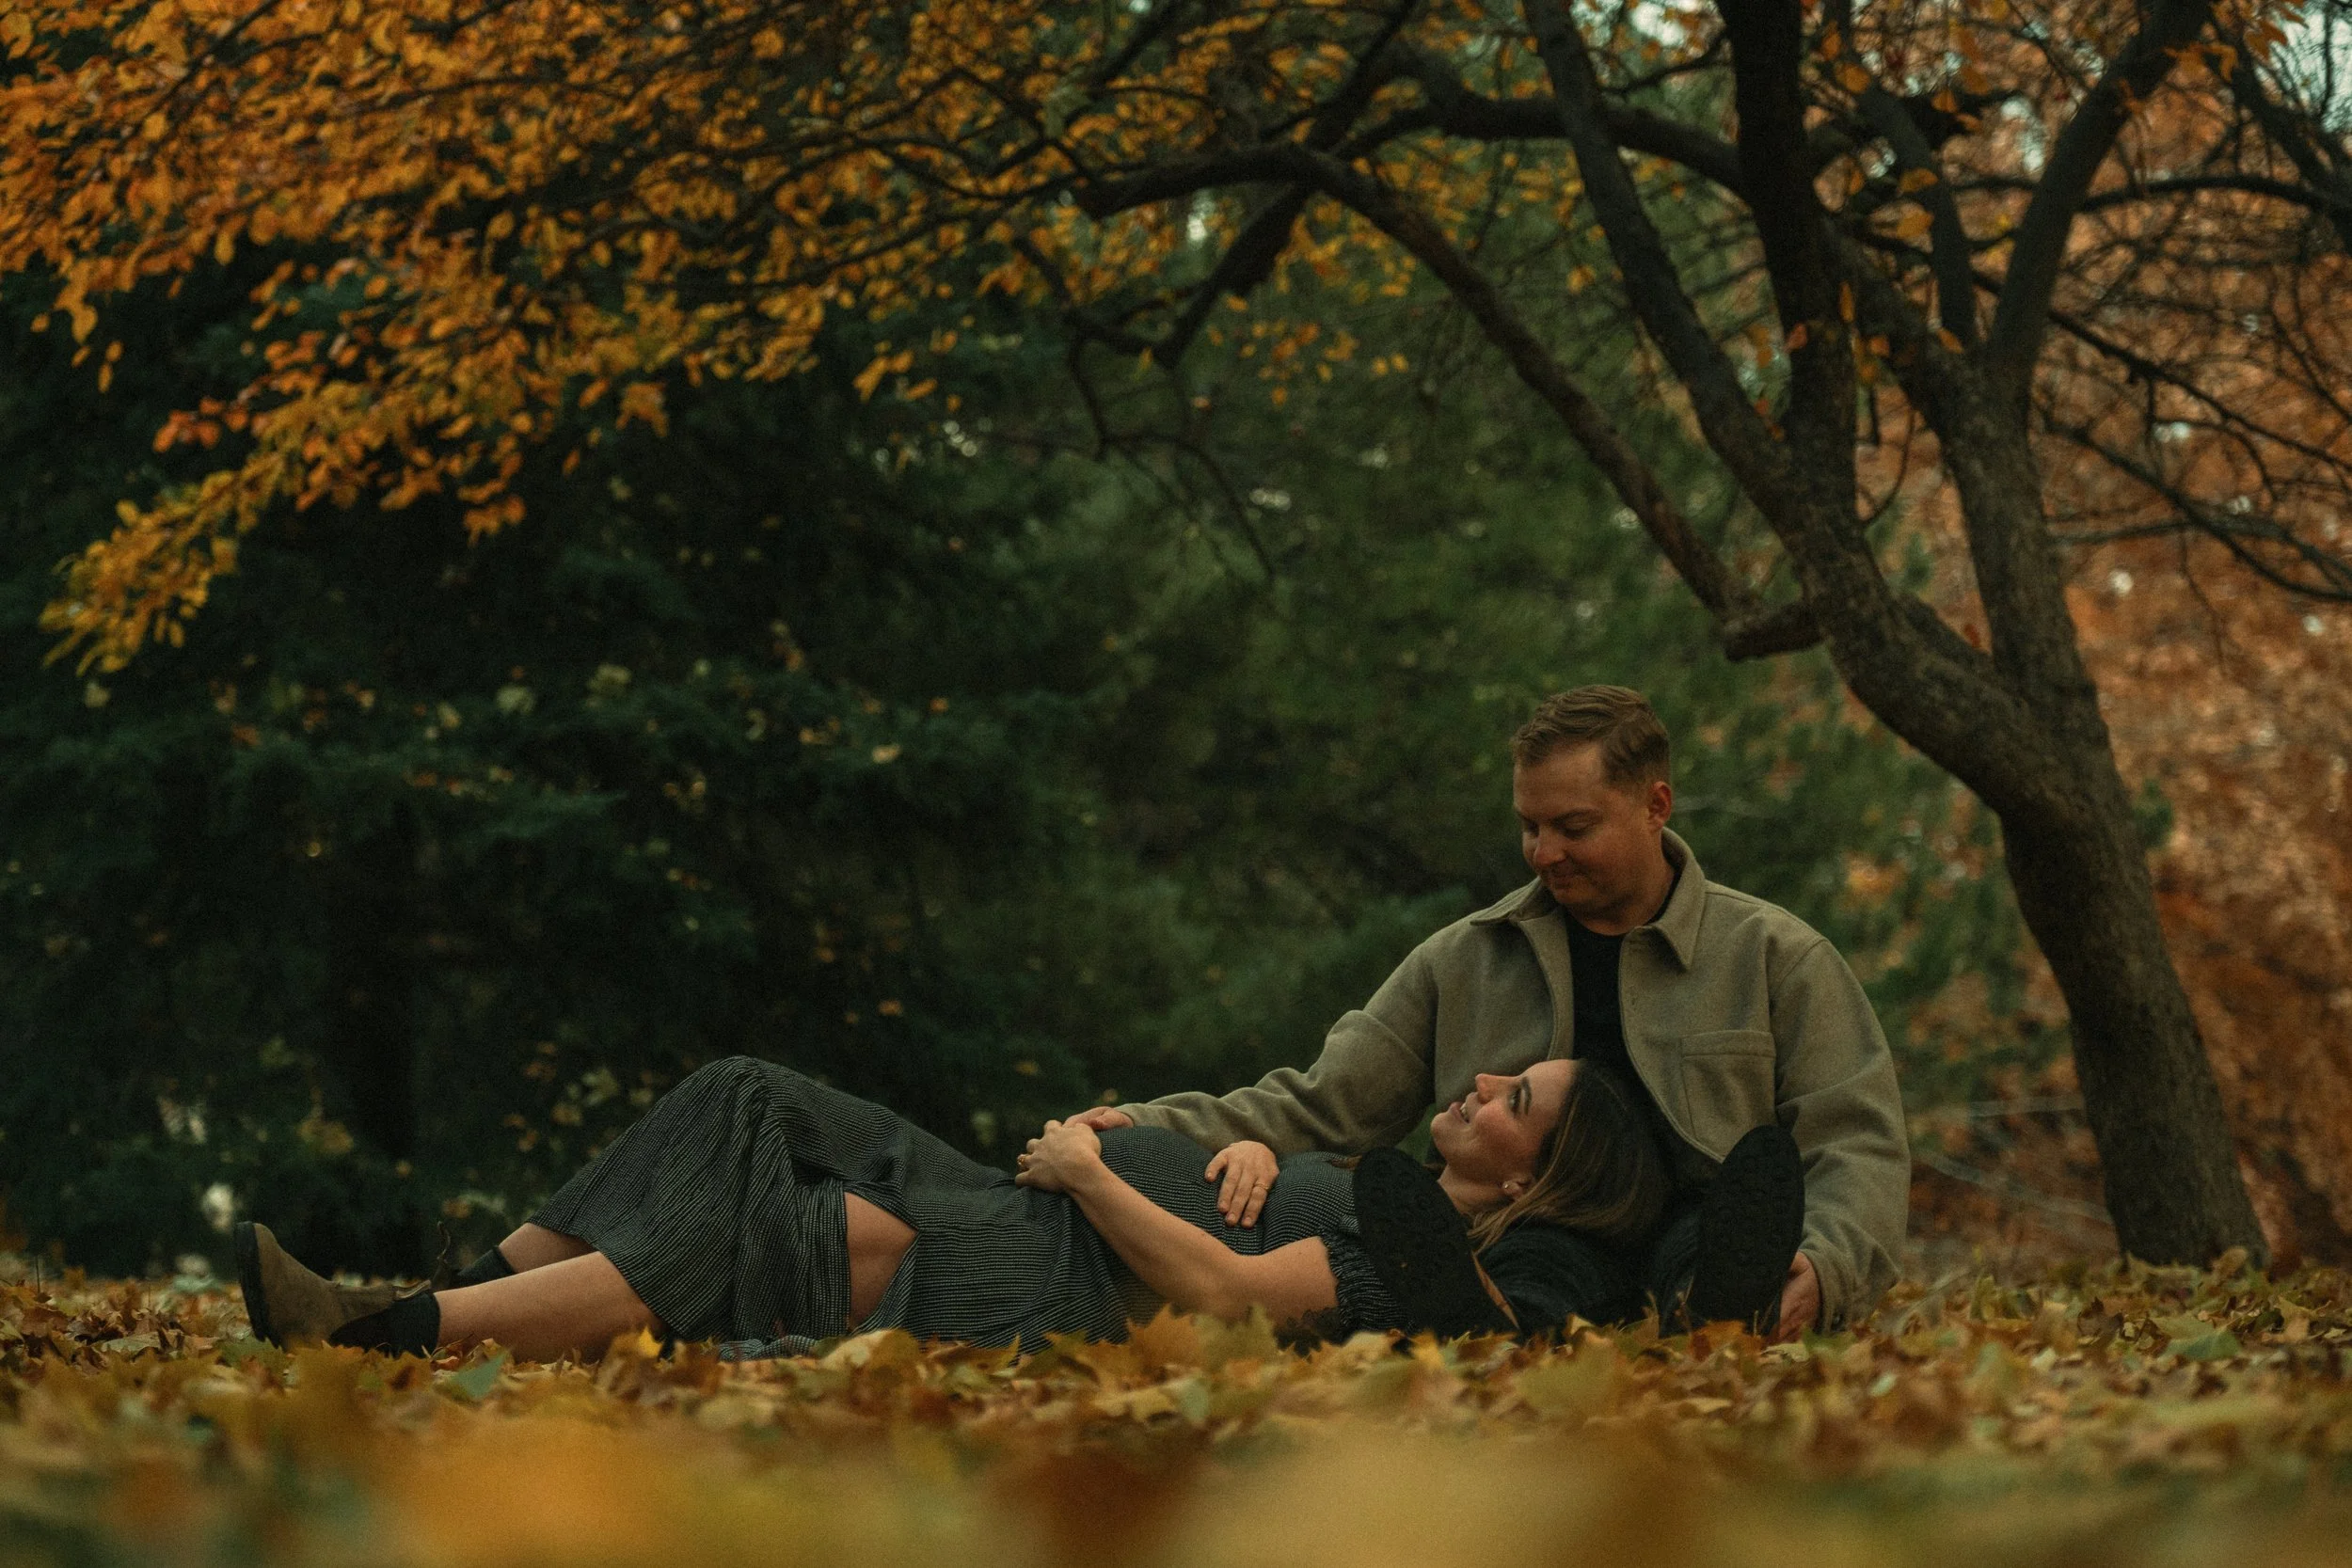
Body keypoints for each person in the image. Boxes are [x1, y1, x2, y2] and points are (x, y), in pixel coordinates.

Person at [1067, 686, 1910, 1338]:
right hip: (1520, 1229)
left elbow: (1854, 1138)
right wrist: (1137, 1120)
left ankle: (1731, 1305)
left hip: (1696, 1227)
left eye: (1572, 826)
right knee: (1530, 1268)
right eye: (1528, 826)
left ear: (1656, 805)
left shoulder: (1775, 956)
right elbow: (1321, 1102)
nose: (1544, 852)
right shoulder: (1465, 958)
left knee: (1702, 1246)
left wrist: (1827, 1266)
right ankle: (1481, 1315)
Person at [233, 1049, 1679, 1360]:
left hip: (1044, 1256)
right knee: (740, 1092)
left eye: (1515, 1098)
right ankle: (438, 1305)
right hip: (1031, 1194)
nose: (1482, 1080)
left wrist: (1095, 1173)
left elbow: (1229, 1294)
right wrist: (1171, 1135)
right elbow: (1265, 1166)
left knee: (798, 1236)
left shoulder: (1418, 1255)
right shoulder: (1387, 1182)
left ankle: (393, 1328)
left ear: (1538, 1172)